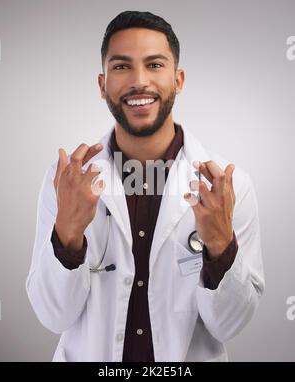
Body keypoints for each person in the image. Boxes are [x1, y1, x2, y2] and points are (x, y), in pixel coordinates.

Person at [26, 10, 265, 362]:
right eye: (121, 66)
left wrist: (220, 246)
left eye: (154, 65)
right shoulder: (66, 179)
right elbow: (52, 315)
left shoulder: (229, 187)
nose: (139, 81)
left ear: (178, 79)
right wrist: (68, 232)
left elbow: (228, 325)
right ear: (102, 84)